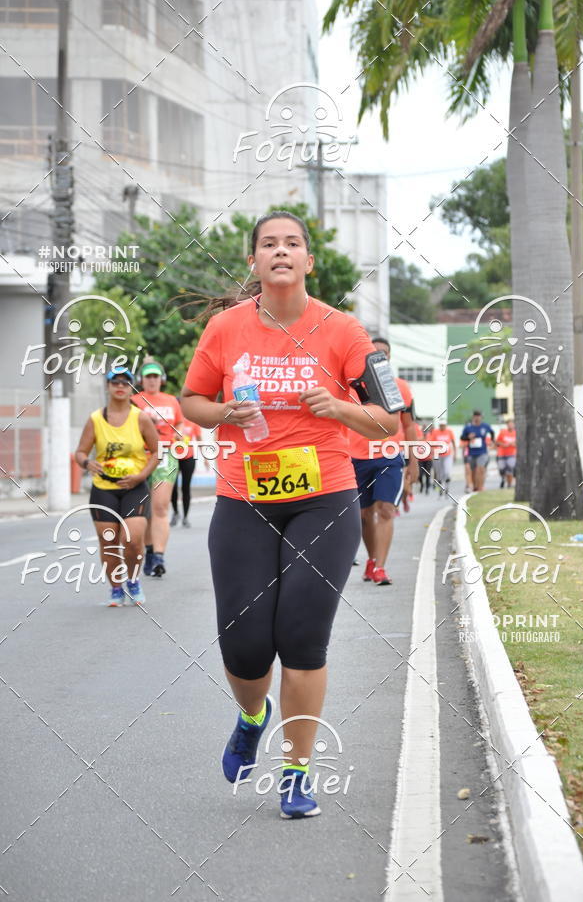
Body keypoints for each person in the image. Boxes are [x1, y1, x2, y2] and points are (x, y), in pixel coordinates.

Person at [181, 210, 399, 819]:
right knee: (245, 644)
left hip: (323, 496)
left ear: (309, 261)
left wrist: (336, 407)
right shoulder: (226, 329)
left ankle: (297, 771)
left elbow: (390, 421)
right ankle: (253, 716)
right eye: (269, 244)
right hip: (244, 497)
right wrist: (227, 414)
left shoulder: (343, 331)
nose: (281, 251)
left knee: (302, 636)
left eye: (293, 243)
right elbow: (192, 400)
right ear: (253, 262)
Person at [74, 367, 158, 606]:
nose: (120, 386)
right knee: (109, 541)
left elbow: (156, 452)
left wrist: (141, 476)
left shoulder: (140, 417)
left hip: (135, 487)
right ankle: (116, 588)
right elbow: (80, 452)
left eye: (125, 382)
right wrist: (87, 462)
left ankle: (133, 580)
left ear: (131, 387)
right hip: (104, 488)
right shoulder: (96, 419)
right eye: (115, 382)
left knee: (132, 540)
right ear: (108, 386)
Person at [348, 336, 418, 586]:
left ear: (389, 358)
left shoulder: (400, 387)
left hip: (390, 455)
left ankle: (380, 567)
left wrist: (414, 462)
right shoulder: (351, 387)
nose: (380, 356)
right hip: (355, 458)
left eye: (384, 353)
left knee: (386, 509)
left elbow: (409, 426)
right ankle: (371, 559)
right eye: (374, 352)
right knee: (364, 514)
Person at [132, 359, 184, 577]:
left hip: (166, 455)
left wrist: (179, 434)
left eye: (155, 376)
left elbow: (179, 423)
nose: (152, 380)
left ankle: (159, 558)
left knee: (161, 506)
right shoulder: (133, 401)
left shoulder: (172, 400)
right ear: (141, 380)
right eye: (148, 376)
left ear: (161, 380)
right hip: (140, 456)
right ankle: (150, 551)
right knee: (144, 511)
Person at [171, 409, 201, 527]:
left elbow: (199, 439)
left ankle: (185, 517)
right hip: (173, 457)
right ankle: (176, 512)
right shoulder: (173, 422)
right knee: (172, 488)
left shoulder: (193, 421)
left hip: (189, 457)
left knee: (185, 487)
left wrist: (206, 457)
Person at [460, 411, 495, 492]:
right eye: (475, 416)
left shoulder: (485, 426)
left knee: (481, 469)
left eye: (478, 416)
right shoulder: (468, 427)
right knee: (473, 471)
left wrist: (492, 441)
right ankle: (475, 486)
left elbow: (492, 432)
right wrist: (468, 437)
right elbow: (462, 437)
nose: (477, 418)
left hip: (482, 452)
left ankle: (481, 487)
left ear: (481, 417)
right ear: (473, 417)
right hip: (471, 453)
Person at [429, 420, 456, 496]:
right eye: (441, 425)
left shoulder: (449, 432)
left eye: (443, 425)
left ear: (445, 425)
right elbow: (431, 443)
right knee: (439, 473)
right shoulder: (435, 432)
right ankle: (441, 487)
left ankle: (447, 486)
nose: (442, 427)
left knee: (447, 471)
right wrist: (431, 453)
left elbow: (453, 442)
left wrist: (455, 453)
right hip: (437, 455)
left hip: (447, 455)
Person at [496, 419, 517, 488]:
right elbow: (497, 442)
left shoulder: (516, 433)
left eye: (511, 424)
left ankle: (509, 484)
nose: (510, 425)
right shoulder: (503, 432)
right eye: (509, 424)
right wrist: (503, 444)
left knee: (510, 469)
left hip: (511, 454)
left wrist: (513, 444)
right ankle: (503, 479)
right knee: (502, 469)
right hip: (502, 454)